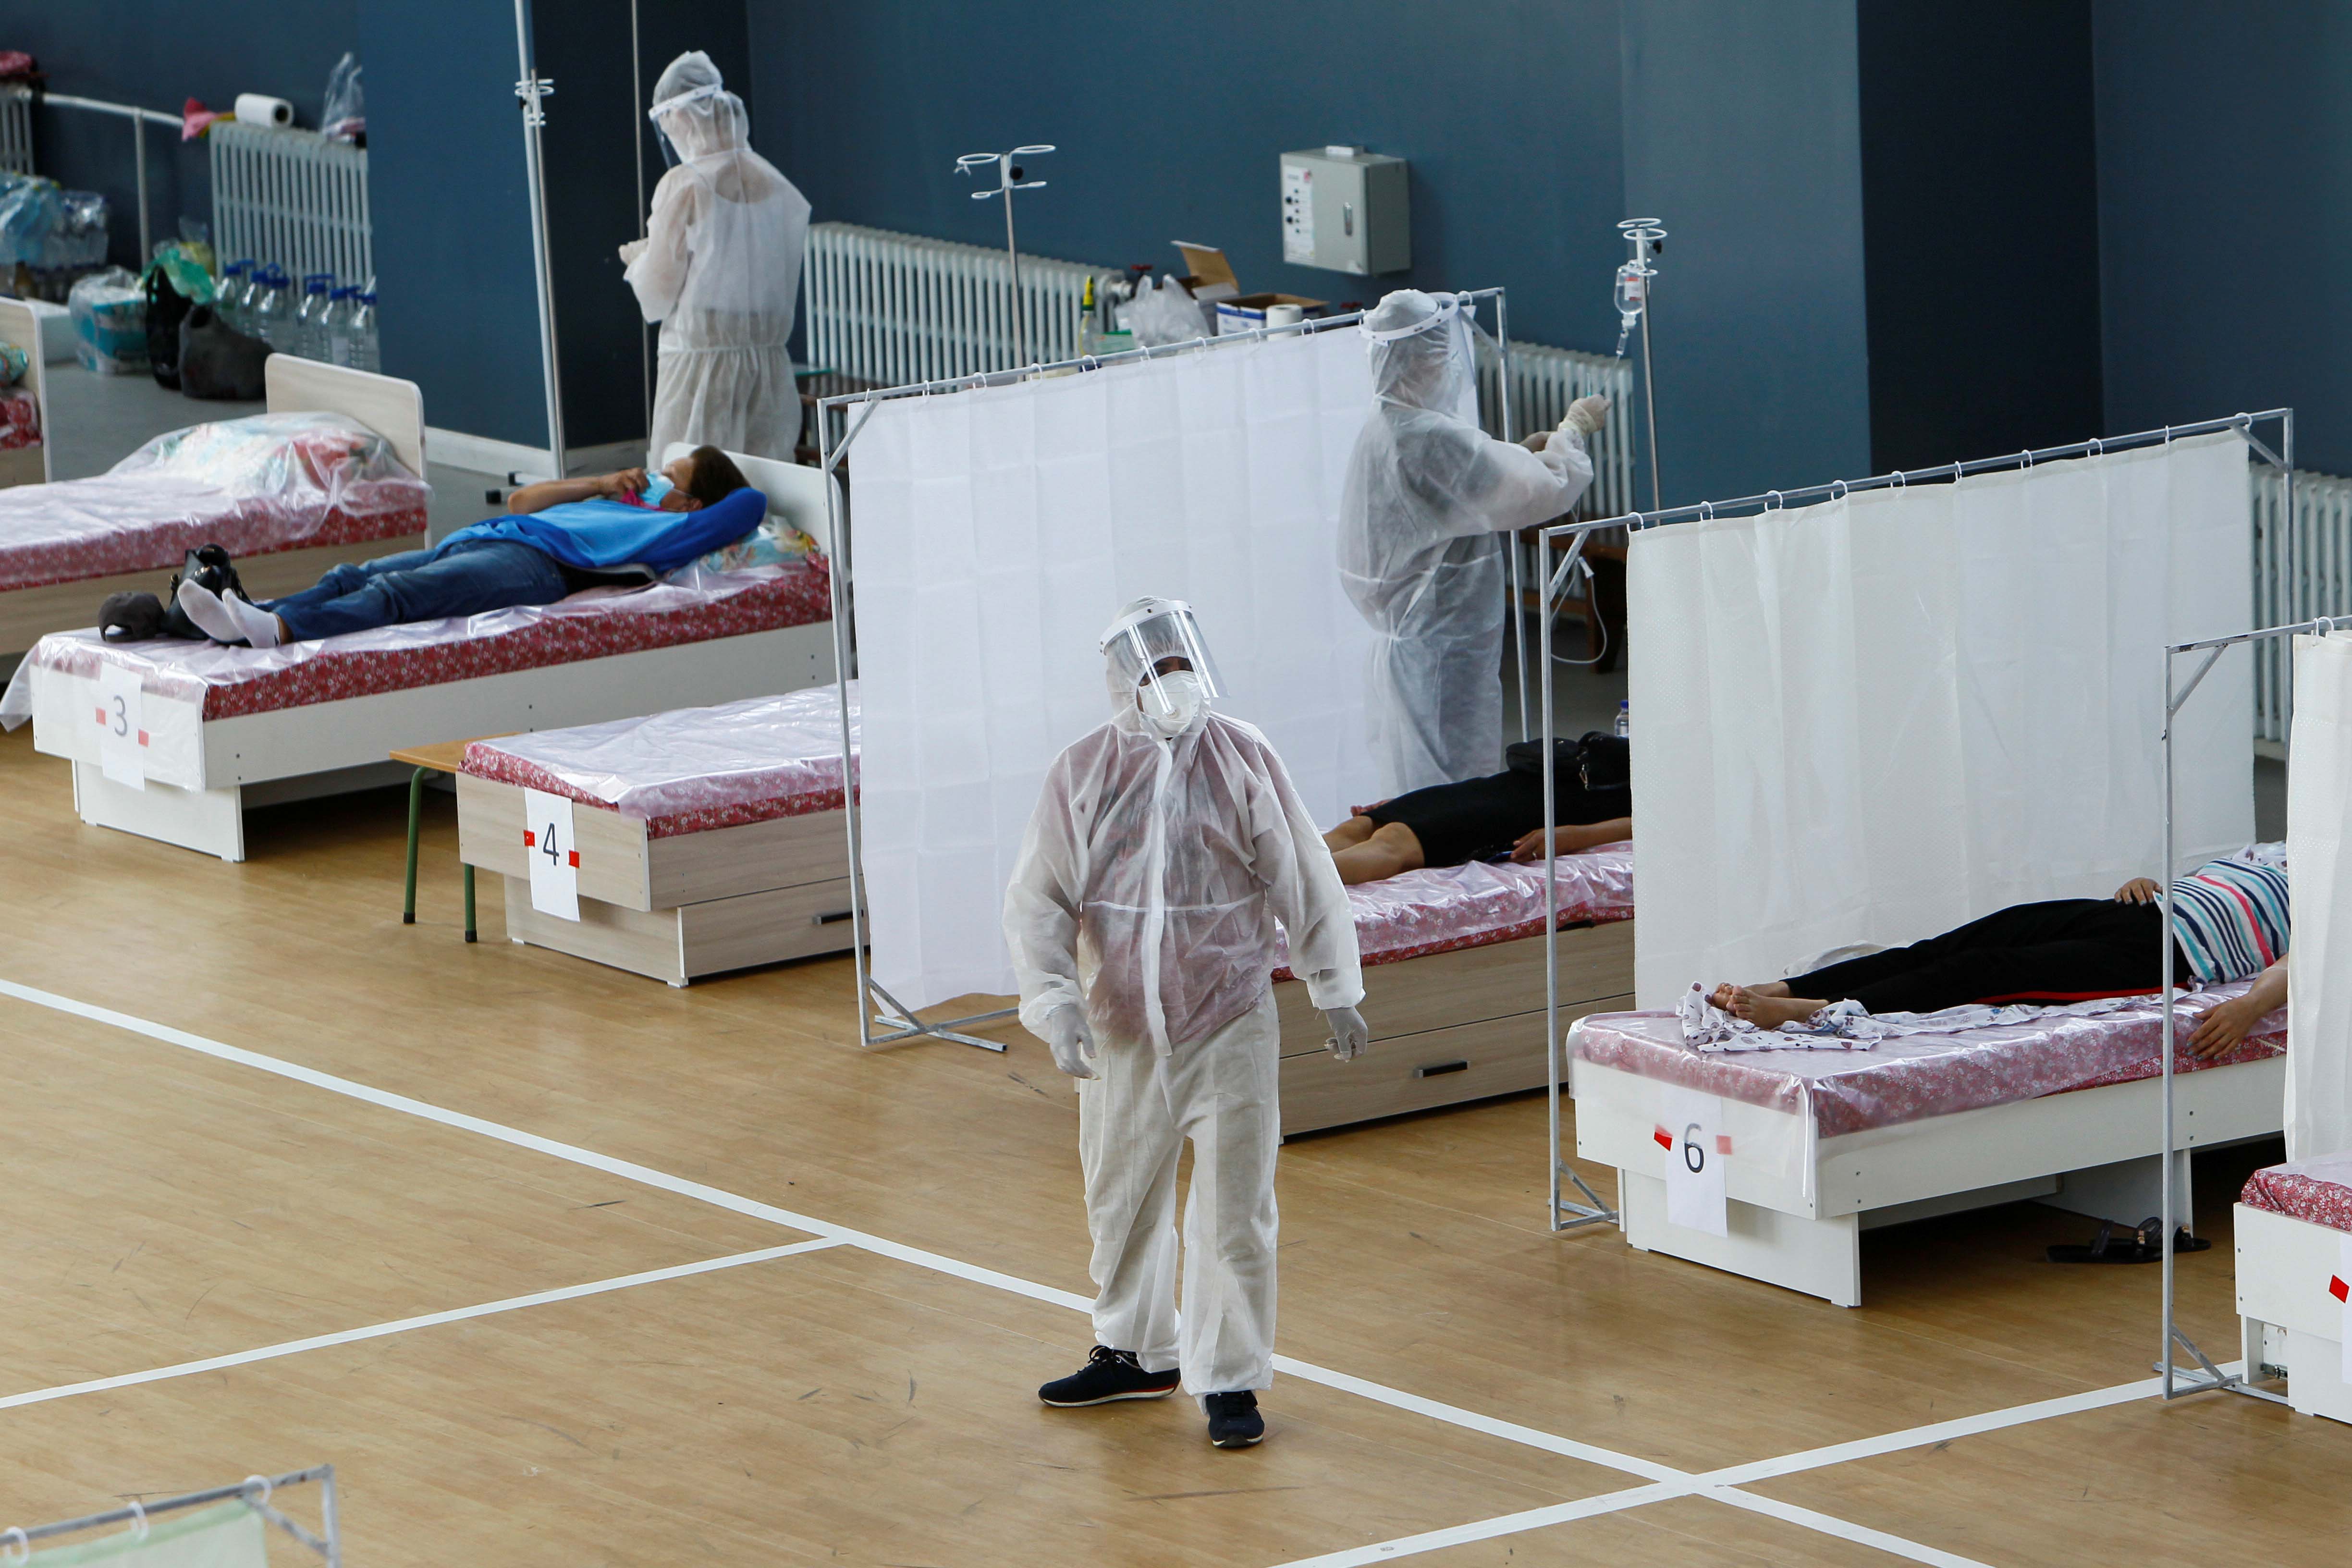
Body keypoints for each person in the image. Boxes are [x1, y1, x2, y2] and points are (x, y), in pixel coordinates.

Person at [1004, 597, 1368, 1450]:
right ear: (1122, 681)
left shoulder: (1243, 755)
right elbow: (1038, 901)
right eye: (1151, 670)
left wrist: (1333, 982)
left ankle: (1231, 1376)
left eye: (1177, 666)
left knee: (1234, 1204)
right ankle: (1135, 1349)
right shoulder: (1084, 770)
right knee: (1120, 1192)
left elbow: (1302, 873)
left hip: (1227, 1016)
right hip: (1122, 1023)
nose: (1168, 684)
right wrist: (1055, 1005)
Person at [1339, 288, 1605, 796]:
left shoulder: (1386, 427)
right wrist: (1574, 431)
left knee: (1415, 789)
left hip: (1413, 643)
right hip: (1442, 645)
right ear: (1424, 358)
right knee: (1453, 795)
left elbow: (1464, 490)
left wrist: (1517, 455)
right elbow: (1541, 491)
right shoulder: (1429, 436)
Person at [1709, 848, 2290, 1056]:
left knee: (1981, 972)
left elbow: (2306, 961)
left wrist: (2250, 1007)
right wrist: (2152, 882)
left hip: (2173, 958)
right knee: (1958, 941)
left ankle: (1815, 1013)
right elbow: (2221, 886)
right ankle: (1784, 988)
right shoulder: (2289, 845)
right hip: (2138, 912)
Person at [174, 447, 763, 648]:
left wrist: (696, 498)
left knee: (397, 594)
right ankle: (249, 621)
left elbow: (751, 503)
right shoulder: (622, 500)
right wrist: (602, 483)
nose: (657, 476)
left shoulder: (674, 532)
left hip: (540, 567)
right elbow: (521, 503)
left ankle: (280, 632)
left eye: (672, 475)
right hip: (492, 536)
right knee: (350, 573)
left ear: (692, 504)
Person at [621, 51, 811, 465]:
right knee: (765, 491)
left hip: (697, 370)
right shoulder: (779, 186)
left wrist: (639, 262)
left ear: (684, 119)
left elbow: (656, 298)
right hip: (770, 370)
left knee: (691, 492)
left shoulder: (685, 186)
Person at [1322, 734, 1631, 885]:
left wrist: (1578, 836)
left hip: (1554, 806)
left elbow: (1660, 818)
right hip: (1518, 782)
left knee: (1396, 840)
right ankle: (1278, 868)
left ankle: (1285, 885)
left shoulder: (1673, 777)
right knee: (1363, 826)